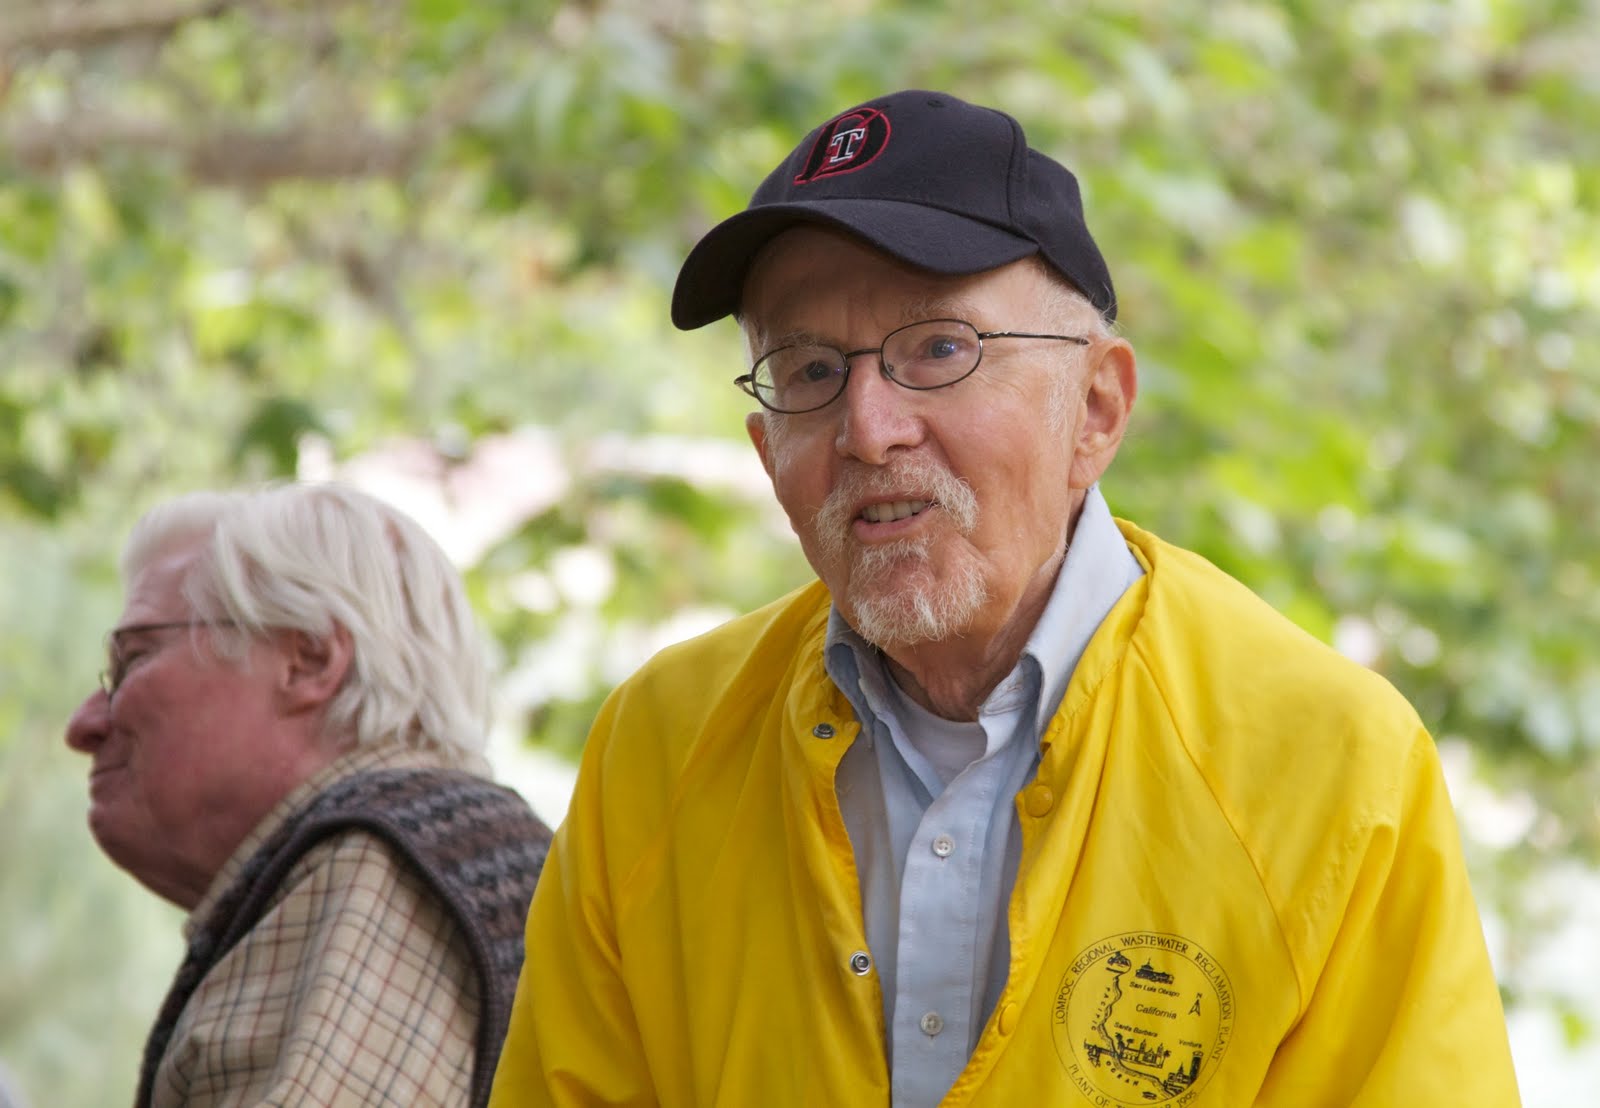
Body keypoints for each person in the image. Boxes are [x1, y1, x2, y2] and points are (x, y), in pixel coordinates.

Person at [490, 90, 1519, 1106]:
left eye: (940, 349)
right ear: (767, 452)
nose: (869, 428)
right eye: (807, 371)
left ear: (1096, 410)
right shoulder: (660, 745)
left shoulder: (1329, 762)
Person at [65, 482, 553, 1108]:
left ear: (311, 660)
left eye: (132, 660)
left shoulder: (374, 861)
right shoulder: (409, 852)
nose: (83, 725)